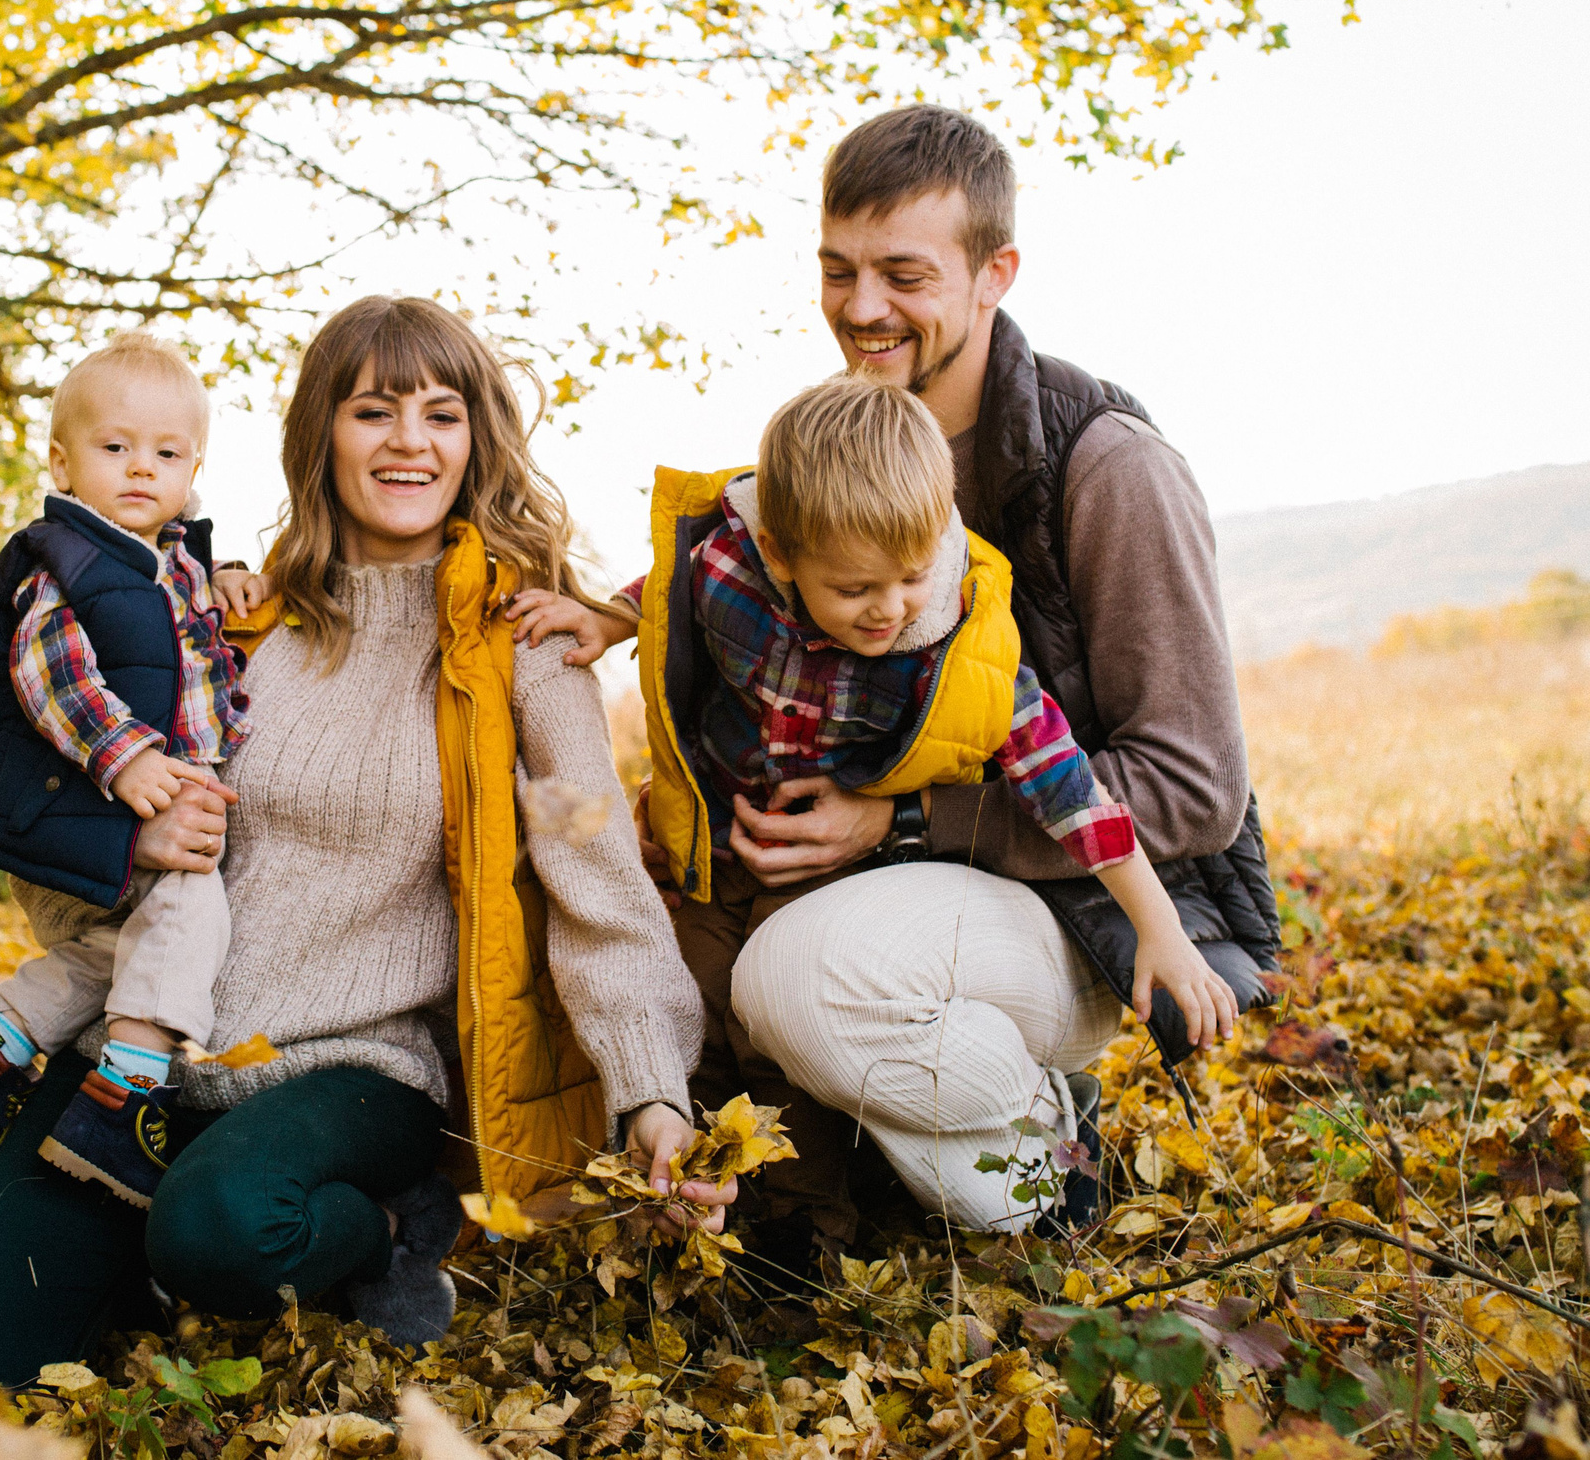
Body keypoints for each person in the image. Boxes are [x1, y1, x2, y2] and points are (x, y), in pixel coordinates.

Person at [0, 295, 709, 1388]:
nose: (410, 443)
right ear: (321, 434)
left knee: (220, 1232)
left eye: (440, 414)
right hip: (151, 1049)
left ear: (477, 438)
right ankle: (144, 1239)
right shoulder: (227, 618)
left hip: (358, 1069)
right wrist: (133, 849)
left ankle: (385, 1229)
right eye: (374, 412)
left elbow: (599, 885)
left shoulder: (523, 643)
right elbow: (63, 783)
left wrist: (653, 1093)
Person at [516, 103, 1276, 1242]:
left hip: (1087, 909)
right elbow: (718, 549)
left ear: (992, 273)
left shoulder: (1105, 468)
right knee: (692, 960)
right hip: (880, 904)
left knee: (794, 978)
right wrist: (604, 615)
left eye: (903, 275)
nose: (862, 308)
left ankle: (1051, 1132)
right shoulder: (848, 452)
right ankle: (819, 1206)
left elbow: (1196, 790)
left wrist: (895, 824)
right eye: (839, 270)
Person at [0, 332, 250, 1208]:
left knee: (132, 948)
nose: (142, 468)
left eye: (166, 453)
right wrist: (127, 757)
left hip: (145, 798)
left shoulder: (167, 563)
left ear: (193, 467)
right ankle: (122, 1101)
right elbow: (51, 671)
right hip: (115, 798)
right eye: (115, 447)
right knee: (190, 914)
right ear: (62, 463)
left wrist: (232, 575)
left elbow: (192, 638)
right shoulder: (64, 558)